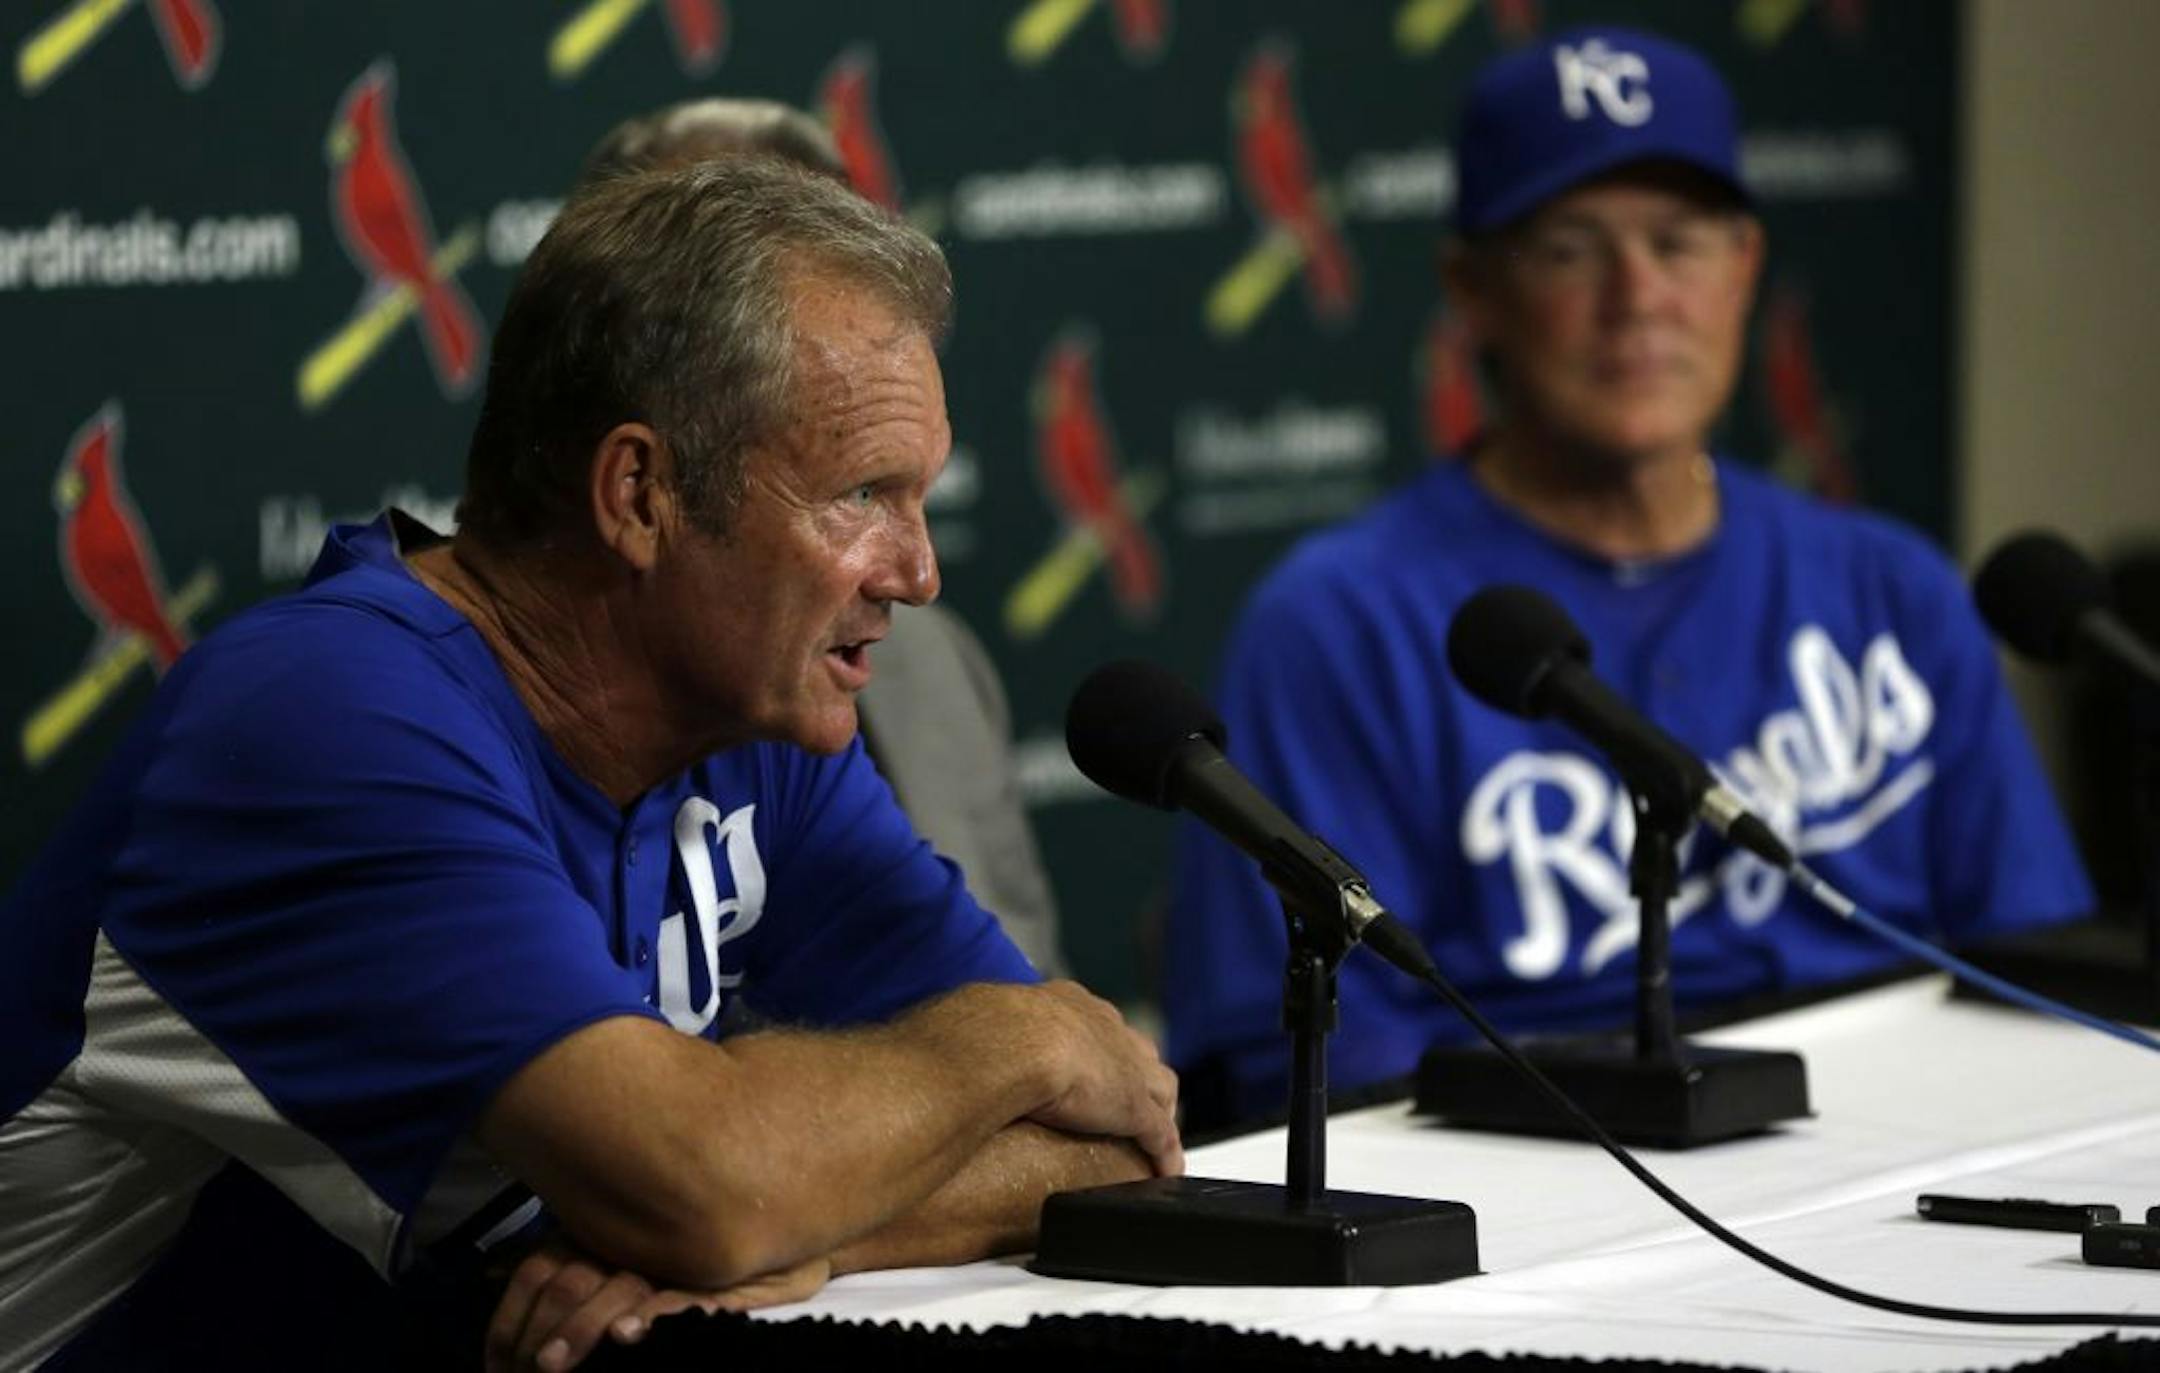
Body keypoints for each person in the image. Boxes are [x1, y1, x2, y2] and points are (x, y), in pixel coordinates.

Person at [0, 159, 1178, 1371]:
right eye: (863, 493)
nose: (918, 572)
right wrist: (1010, 1038)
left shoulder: (750, 725)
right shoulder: (324, 723)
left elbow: (1116, 1143)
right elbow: (714, 1186)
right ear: (640, 493)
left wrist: (820, 1228)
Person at [1166, 26, 2092, 1129]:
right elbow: (1315, 1065)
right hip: (1550, 1181)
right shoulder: (1338, 622)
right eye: (1570, 246)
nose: (1637, 296)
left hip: (1897, 1144)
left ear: (1744, 266)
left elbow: (2039, 970)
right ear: (1474, 288)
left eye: (1679, 239)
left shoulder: (1893, 587)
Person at [579, 97, 1065, 977]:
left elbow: (1043, 1020)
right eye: (729, 289)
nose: (917, 576)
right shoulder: (473, 723)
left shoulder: (935, 666)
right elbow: (645, 1111)